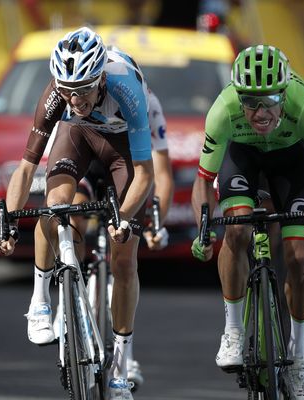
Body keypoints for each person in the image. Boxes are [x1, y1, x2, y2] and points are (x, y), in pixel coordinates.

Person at [0, 27, 154, 399]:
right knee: (55, 206)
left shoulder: (124, 87)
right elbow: (25, 168)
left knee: (125, 257)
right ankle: (40, 300)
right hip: (77, 138)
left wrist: (124, 218)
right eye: (67, 88)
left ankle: (119, 367)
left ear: (99, 77)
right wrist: (9, 223)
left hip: (122, 150)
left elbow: (145, 175)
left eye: (82, 88)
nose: (74, 97)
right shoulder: (57, 94)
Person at [190, 45, 304, 400]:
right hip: (242, 159)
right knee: (237, 229)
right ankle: (232, 330)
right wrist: (203, 227)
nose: (260, 112)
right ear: (238, 96)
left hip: (291, 164)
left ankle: (299, 355)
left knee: (299, 257)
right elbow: (203, 180)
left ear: (285, 91)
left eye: (270, 99)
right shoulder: (223, 109)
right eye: (250, 101)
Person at [70, 87, 174, 390]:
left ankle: (124, 356)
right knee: (73, 211)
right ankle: (69, 294)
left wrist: (158, 223)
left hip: (125, 170)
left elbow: (162, 173)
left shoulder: (148, 102)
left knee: (124, 261)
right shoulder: (79, 96)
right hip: (89, 167)